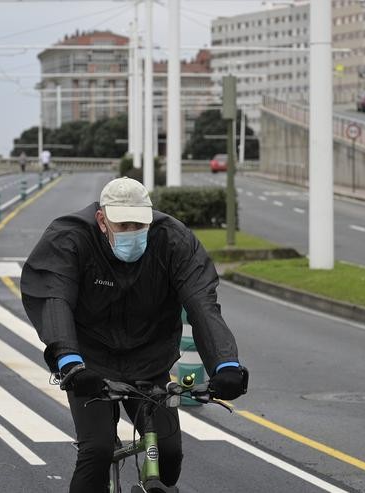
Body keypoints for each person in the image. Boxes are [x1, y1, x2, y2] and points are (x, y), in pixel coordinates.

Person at [20, 177, 248, 492]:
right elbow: (53, 296)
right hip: (89, 363)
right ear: (102, 220)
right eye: (123, 225)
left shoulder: (173, 240)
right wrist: (69, 361)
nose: (133, 233)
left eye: (139, 225)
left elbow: (202, 305)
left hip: (150, 362)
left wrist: (226, 365)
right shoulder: (69, 237)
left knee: (169, 456)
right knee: (97, 450)